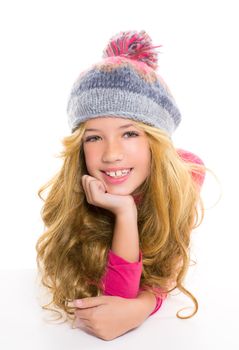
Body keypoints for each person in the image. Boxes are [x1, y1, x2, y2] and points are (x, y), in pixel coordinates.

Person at [36, 30, 207, 341]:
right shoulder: (76, 190)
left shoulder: (184, 177)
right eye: (94, 137)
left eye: (129, 134)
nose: (112, 154)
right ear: (80, 145)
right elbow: (115, 297)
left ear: (155, 141)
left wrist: (143, 306)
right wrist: (124, 212)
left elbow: (160, 272)